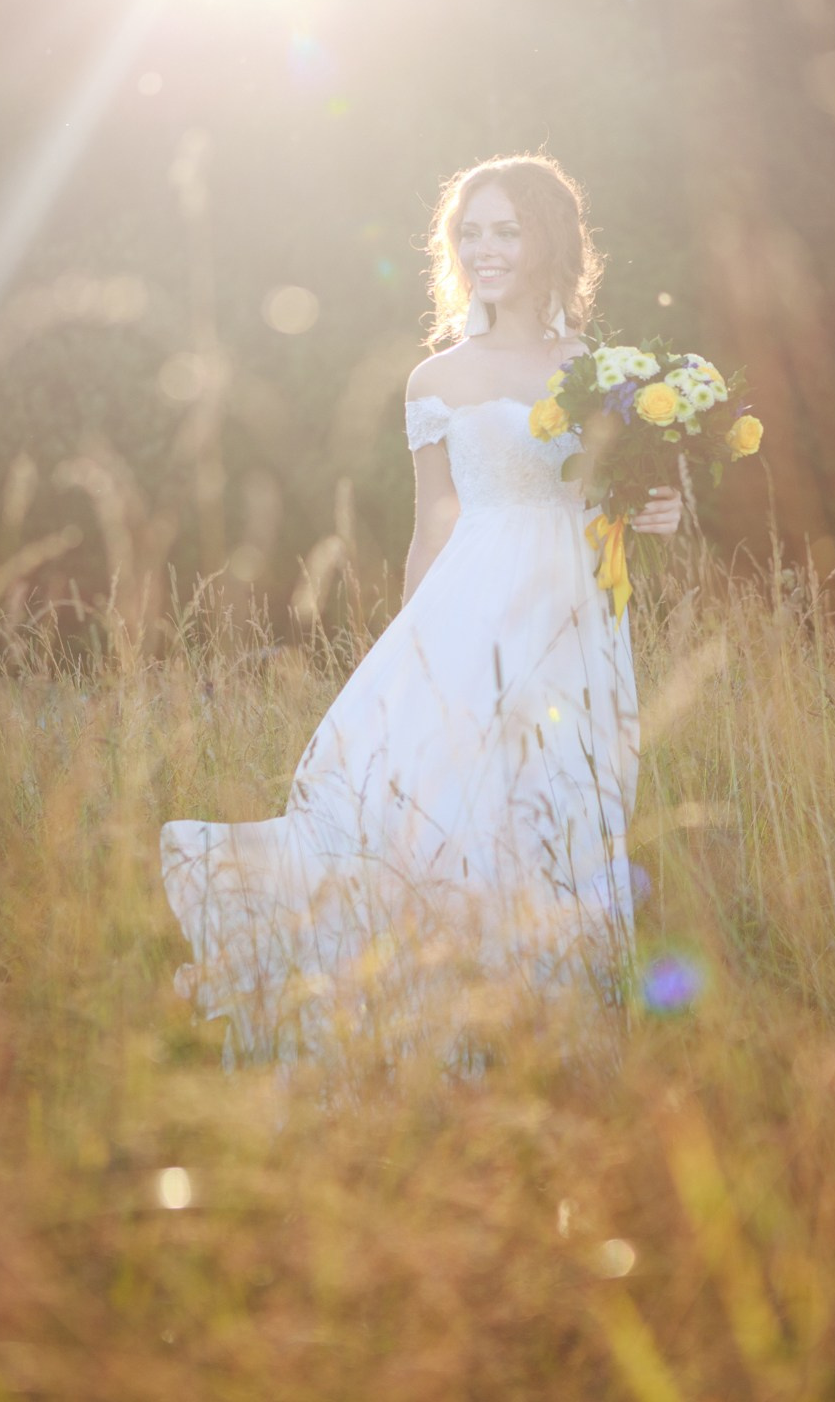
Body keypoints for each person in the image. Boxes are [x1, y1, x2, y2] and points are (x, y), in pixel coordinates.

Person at [160, 154, 681, 1065]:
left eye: (506, 229)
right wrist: (409, 656)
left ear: (551, 238)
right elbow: (431, 527)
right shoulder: (435, 380)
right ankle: (437, 1028)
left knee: (557, 807)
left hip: (576, 618)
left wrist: (664, 510)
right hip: (468, 614)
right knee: (450, 812)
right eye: (470, 232)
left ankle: (556, 1037)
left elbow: (633, 499)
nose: (485, 249)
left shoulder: (605, 372)